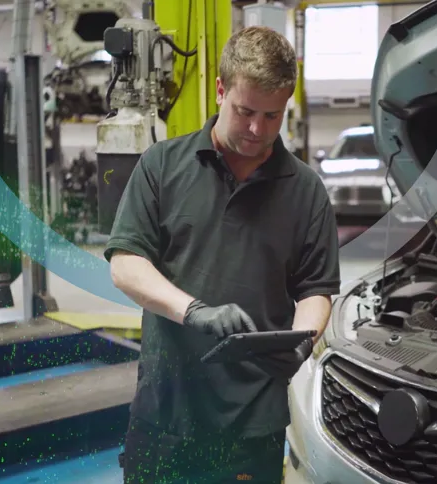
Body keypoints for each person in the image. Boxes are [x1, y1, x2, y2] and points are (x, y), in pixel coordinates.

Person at [105, 26, 341, 484]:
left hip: (253, 423)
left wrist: (302, 339)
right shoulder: (162, 165)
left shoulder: (306, 191)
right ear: (219, 90)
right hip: (167, 411)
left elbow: (315, 288)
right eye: (245, 111)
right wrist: (192, 311)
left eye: (272, 116)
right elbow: (126, 263)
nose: (257, 129)